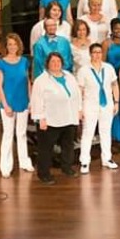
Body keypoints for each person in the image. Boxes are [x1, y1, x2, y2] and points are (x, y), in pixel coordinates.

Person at [31, 52, 81, 185]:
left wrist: (79, 110)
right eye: (53, 62)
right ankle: (44, 174)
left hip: (68, 117)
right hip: (50, 120)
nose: (56, 64)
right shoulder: (41, 81)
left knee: (68, 145)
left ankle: (67, 167)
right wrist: (40, 118)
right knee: (46, 149)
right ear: (47, 64)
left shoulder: (69, 76)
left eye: (58, 61)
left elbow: (77, 94)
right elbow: (36, 100)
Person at [77, 43, 120, 174]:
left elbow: (114, 85)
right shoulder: (83, 70)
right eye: (94, 52)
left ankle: (107, 158)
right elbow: (80, 90)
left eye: (99, 52)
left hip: (107, 104)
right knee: (88, 133)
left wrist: (116, 102)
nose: (97, 55)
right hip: (90, 105)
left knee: (106, 132)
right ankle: (84, 161)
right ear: (90, 54)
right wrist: (79, 108)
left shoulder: (108, 68)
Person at [0, 33, 34, 178]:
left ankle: (25, 162)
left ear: (19, 45)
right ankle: (5, 166)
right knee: (8, 134)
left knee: (22, 133)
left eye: (14, 44)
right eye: (10, 44)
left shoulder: (24, 61)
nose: (12, 47)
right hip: (8, 103)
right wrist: (5, 105)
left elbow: (27, 82)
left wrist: (30, 101)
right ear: (6, 46)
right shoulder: (1, 63)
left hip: (23, 101)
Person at [102, 18, 120, 143]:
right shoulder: (106, 43)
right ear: (112, 29)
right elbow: (103, 62)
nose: (118, 31)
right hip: (113, 78)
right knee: (115, 105)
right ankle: (114, 135)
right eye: (116, 28)